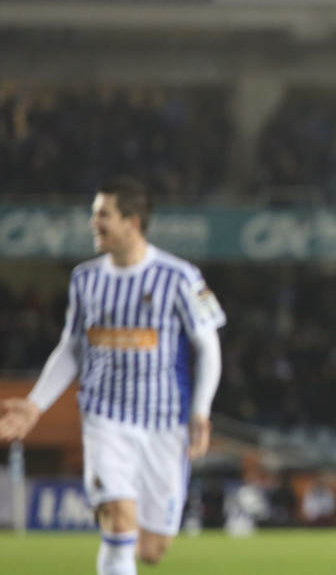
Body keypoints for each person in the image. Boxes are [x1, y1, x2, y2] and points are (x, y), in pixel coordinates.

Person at [0, 176, 225, 575]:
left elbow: (209, 347)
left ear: (132, 222)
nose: (94, 223)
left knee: (152, 549)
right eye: (94, 214)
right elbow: (72, 348)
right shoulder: (85, 278)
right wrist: (34, 406)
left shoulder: (179, 277)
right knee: (119, 522)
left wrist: (200, 411)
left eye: (103, 215)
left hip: (165, 424)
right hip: (105, 418)